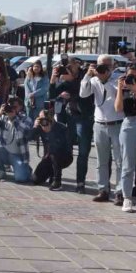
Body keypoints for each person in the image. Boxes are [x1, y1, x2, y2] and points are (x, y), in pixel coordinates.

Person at [80, 56, 124, 204]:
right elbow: (83, 94)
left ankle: (120, 192)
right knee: (101, 161)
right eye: (100, 65)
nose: (103, 69)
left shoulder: (118, 79)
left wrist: (105, 80)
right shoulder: (93, 80)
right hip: (99, 124)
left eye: (106, 66)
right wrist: (88, 75)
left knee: (119, 160)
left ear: (112, 66)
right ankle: (103, 190)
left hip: (117, 124)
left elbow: (113, 94)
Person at [50, 55, 93, 194]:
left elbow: (85, 93)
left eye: (69, 66)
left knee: (83, 152)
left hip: (84, 118)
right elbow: (52, 94)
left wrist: (72, 81)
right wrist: (53, 79)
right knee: (61, 147)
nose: (67, 69)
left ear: (77, 64)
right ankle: (57, 179)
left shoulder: (86, 75)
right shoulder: (66, 78)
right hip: (69, 116)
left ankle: (80, 183)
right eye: (65, 67)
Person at [114, 62, 136, 213]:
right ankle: (127, 197)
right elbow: (118, 109)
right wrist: (120, 90)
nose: (133, 78)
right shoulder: (123, 87)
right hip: (129, 124)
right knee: (127, 163)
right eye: (131, 75)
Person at [0, 97, 33, 183]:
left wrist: (14, 118)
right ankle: (1, 171)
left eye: (15, 107)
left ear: (21, 107)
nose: (12, 108)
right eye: (10, 106)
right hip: (4, 151)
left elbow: (25, 132)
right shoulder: (3, 117)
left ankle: (26, 168)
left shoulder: (26, 119)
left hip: (18, 155)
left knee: (21, 178)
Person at [30, 109, 72, 190]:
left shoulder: (61, 128)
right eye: (41, 118)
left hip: (64, 157)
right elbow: (29, 137)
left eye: (45, 118)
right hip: (48, 158)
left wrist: (50, 132)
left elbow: (64, 147)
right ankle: (51, 173)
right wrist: (35, 127)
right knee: (36, 180)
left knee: (54, 152)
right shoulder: (40, 126)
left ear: (52, 118)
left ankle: (57, 181)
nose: (44, 121)